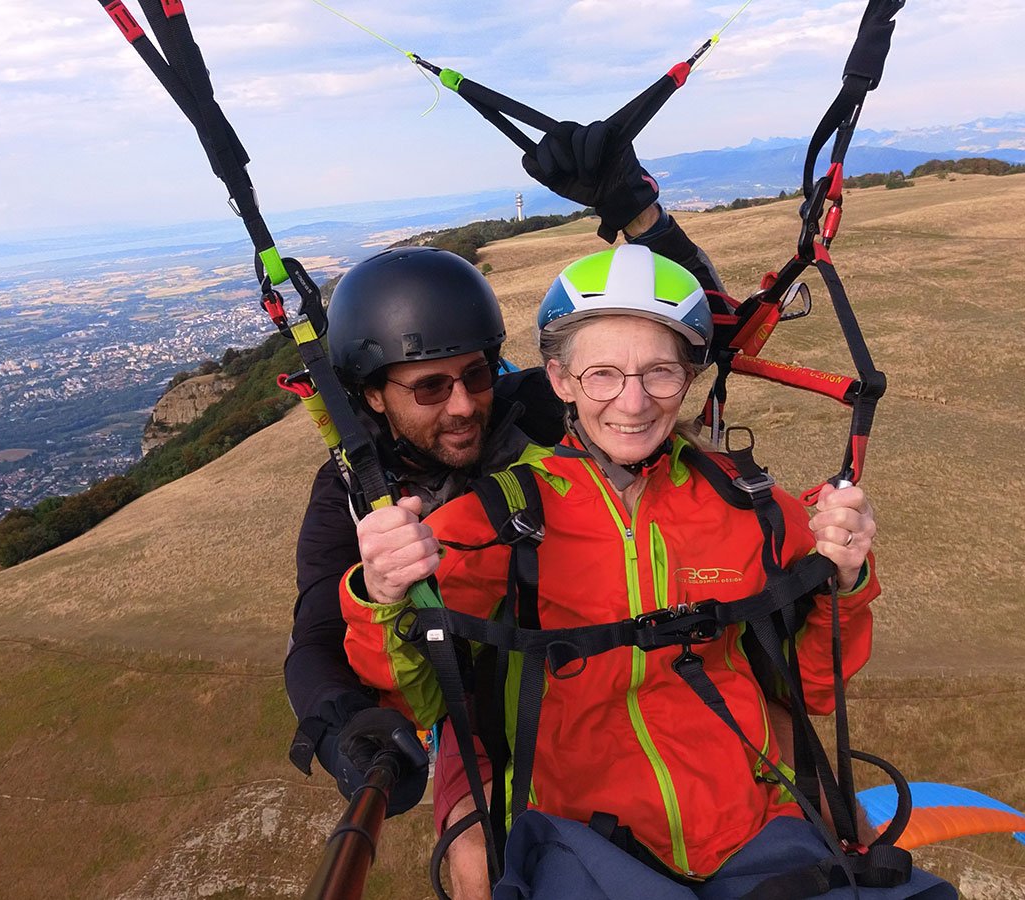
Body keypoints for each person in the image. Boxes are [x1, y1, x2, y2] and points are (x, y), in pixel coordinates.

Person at [339, 244, 956, 898]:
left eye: (660, 373)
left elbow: (814, 689)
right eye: (603, 374)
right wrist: (382, 593)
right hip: (580, 844)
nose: (632, 404)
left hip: (753, 830)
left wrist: (845, 582)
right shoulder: (494, 517)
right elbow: (419, 699)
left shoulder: (750, 505)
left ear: (688, 377)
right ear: (560, 380)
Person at [285, 129, 727, 895]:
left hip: (588, 658)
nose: (464, 406)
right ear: (372, 397)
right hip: (470, 690)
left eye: (477, 375)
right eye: (430, 388)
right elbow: (317, 633)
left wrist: (637, 212)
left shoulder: (530, 410)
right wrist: (347, 728)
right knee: (477, 860)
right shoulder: (351, 493)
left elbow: (696, 339)